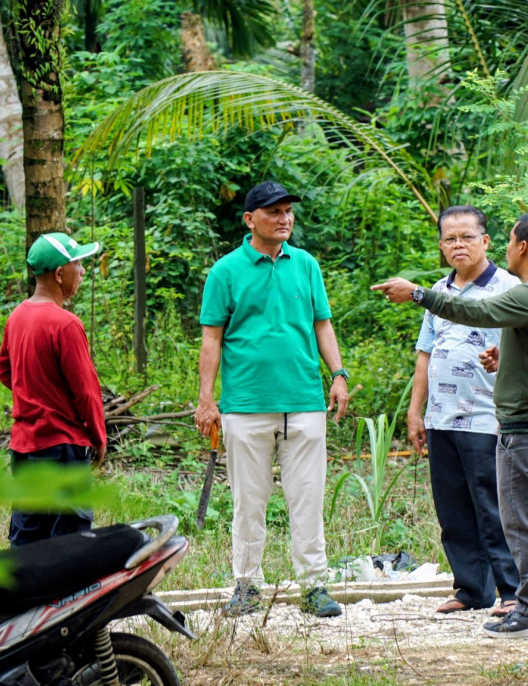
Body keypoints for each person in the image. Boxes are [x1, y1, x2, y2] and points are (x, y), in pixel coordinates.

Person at [371, 212, 528, 639]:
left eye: (507, 240)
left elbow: (474, 310)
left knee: (526, 523)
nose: (506, 247)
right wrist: (510, 357)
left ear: (522, 247)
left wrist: (418, 294)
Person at [195, 181, 350, 618]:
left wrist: (338, 375)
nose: (284, 219)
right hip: (245, 405)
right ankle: (246, 584)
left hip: (304, 401)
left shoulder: (306, 265)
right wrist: (206, 400)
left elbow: (322, 324)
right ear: (250, 219)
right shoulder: (225, 271)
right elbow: (211, 339)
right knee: (249, 500)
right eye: (273, 211)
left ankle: (314, 585)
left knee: (308, 498)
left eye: (288, 211)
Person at [407, 205, 521, 617]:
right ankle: (471, 589)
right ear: (441, 245)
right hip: (441, 417)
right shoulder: (438, 292)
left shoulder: (510, 287)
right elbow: (425, 354)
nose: (458, 245)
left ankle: (513, 591)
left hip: (488, 417)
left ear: (485, 241)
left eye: (467, 237)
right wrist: (415, 411)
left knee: (493, 507)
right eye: (450, 239)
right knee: (452, 508)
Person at [0, 232, 107, 546]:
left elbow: (5, 371)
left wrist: (35, 392)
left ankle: (24, 580)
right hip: (63, 448)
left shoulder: (17, 317)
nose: (82, 271)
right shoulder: (66, 324)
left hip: (25, 447)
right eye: (78, 264)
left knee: (28, 534)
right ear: (59, 274)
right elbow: (86, 391)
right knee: (70, 539)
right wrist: (98, 436)